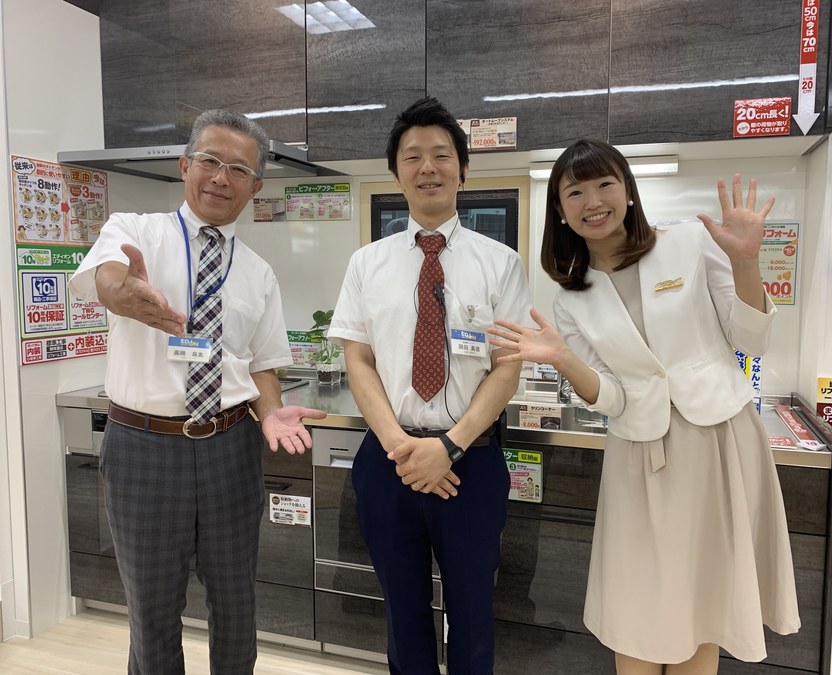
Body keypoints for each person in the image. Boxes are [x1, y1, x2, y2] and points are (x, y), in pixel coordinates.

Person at [488, 139, 800, 674]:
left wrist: (746, 261)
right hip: (639, 454)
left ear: (628, 192)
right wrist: (563, 359)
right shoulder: (572, 299)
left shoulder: (689, 243)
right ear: (559, 210)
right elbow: (611, 397)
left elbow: (752, 339)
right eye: (575, 192)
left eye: (605, 184)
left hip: (717, 441)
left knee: (703, 600)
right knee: (636, 602)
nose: (593, 201)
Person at [68, 109, 326, 674]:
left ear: (255, 188)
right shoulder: (135, 231)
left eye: (239, 169)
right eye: (210, 160)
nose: (221, 177)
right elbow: (107, 278)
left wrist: (272, 412)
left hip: (230, 448)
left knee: (235, 603)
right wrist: (121, 292)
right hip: (143, 446)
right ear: (185, 166)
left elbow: (263, 365)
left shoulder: (258, 272)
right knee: (152, 609)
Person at [328, 96, 533, 674]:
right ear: (396, 173)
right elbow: (358, 360)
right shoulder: (366, 263)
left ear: (463, 169)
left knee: (473, 613)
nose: (428, 167)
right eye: (412, 156)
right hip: (388, 460)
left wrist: (448, 447)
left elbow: (507, 367)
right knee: (402, 613)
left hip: (471, 460)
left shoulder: (502, 263)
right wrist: (401, 447)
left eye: (441, 155)